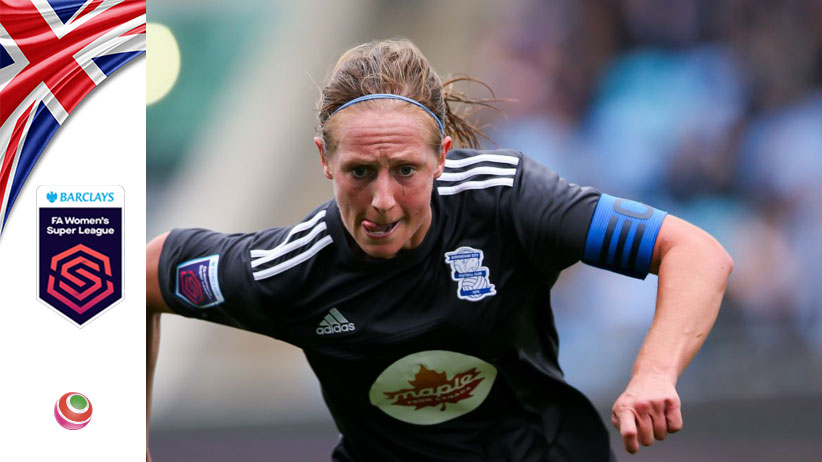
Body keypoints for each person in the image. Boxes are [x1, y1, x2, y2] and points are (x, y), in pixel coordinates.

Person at [146, 39, 733, 461]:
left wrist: (654, 373)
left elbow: (694, 250)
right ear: (325, 160)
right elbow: (145, 272)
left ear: (443, 157)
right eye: (359, 171)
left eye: (405, 170)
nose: (382, 201)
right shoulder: (290, 269)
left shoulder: (508, 201)